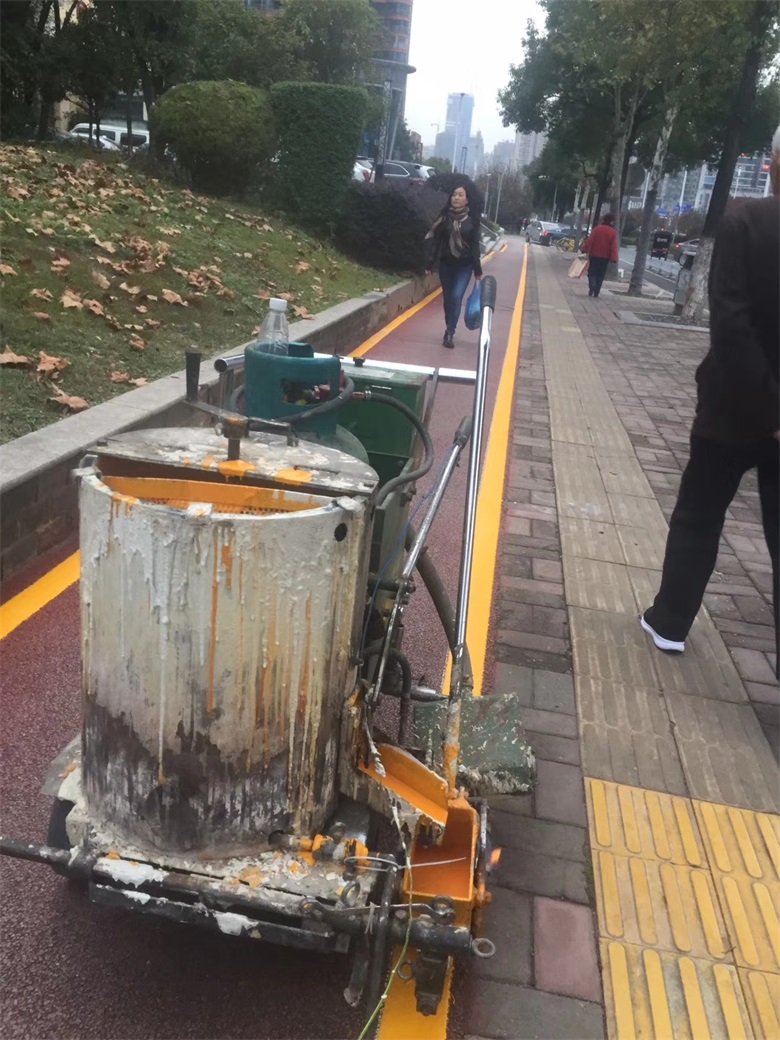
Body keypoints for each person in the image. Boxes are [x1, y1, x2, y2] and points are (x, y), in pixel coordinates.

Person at [641, 123, 780, 673]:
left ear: (772, 163)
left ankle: (670, 622)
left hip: (730, 408)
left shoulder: (744, 223)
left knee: (699, 514)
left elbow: (731, 328)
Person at [425, 185, 482, 348]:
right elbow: (437, 243)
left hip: (464, 266)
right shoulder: (444, 218)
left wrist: (477, 270)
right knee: (448, 300)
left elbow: (475, 246)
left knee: (457, 297)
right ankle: (449, 324)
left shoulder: (472, 221)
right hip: (446, 264)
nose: (456, 198)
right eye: (454, 195)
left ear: (467, 200)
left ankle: (450, 333)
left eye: (460, 195)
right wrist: (430, 263)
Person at [582, 212, 619, 297]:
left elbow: (590, 240)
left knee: (592, 272)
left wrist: (585, 249)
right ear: (612, 221)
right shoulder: (612, 232)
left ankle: (592, 285)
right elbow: (613, 246)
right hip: (605, 257)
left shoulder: (597, 229)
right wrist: (614, 258)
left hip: (594, 255)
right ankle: (596, 291)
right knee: (600, 274)